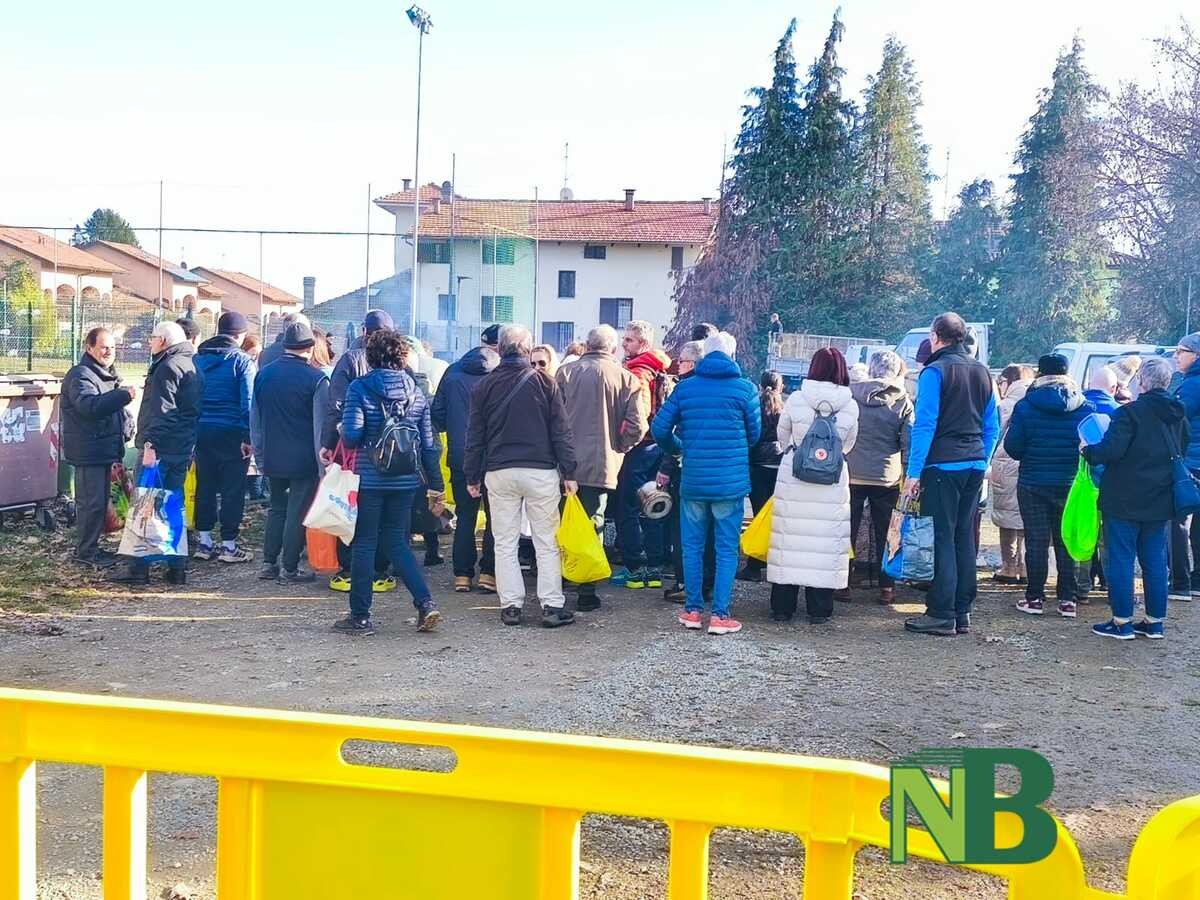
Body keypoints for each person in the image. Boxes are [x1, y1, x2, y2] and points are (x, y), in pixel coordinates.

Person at [464, 325, 578, 628]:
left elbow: (475, 436)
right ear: (528, 350)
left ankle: (511, 606)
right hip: (540, 471)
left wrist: (472, 475)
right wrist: (569, 471)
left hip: (499, 471)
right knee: (546, 541)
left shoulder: (483, 387)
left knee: (504, 542)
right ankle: (552, 606)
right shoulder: (545, 382)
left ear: (499, 350)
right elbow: (561, 432)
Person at [333, 329, 445, 635]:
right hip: (406, 480)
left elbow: (353, 435)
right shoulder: (415, 390)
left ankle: (361, 617)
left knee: (364, 543)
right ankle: (425, 603)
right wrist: (436, 485)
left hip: (370, 479)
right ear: (402, 356)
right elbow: (428, 443)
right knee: (397, 541)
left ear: (371, 356)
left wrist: (343, 426)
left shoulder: (360, 387)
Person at [652, 331, 760, 635]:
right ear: (732, 355)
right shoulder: (745, 390)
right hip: (731, 482)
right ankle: (720, 616)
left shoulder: (686, 389)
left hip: (694, 480)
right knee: (726, 549)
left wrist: (679, 447)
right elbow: (754, 435)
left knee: (692, 546)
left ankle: (692, 611)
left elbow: (660, 428)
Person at [902, 313, 1000, 636]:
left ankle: (941, 611)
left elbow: (925, 424)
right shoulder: (984, 372)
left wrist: (914, 473)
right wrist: (981, 459)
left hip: (943, 465)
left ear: (935, 337)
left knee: (942, 536)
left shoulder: (934, 371)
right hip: (973, 465)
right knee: (964, 537)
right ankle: (963, 610)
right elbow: (992, 426)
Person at [1084, 358, 1188, 639]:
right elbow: (1184, 447)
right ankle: (1155, 622)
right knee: (1155, 559)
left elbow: (1111, 450)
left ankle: (1122, 621)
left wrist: (1088, 451)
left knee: (1122, 558)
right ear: (1167, 382)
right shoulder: (1178, 414)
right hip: (1161, 496)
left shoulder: (1129, 413)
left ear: (1142, 381)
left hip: (1124, 496)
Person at [555, 325, 647, 610]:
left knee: (564, 522)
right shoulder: (627, 378)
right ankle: (586, 590)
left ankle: (562, 578)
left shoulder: (565, 373)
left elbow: (552, 417)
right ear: (614, 349)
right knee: (594, 524)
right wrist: (620, 446)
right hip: (602, 463)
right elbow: (638, 425)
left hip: (565, 461)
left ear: (586, 345)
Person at [766, 348, 858, 624]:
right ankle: (820, 608)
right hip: (831, 478)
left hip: (794, 474)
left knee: (789, 540)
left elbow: (782, 435)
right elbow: (849, 444)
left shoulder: (795, 399)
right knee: (826, 544)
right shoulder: (850, 405)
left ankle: (783, 606)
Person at [111, 321, 203, 585]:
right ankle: (177, 569)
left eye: (152, 338)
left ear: (163, 341)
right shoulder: (193, 364)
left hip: (161, 448)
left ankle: (138, 569)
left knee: (145, 504)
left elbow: (162, 411)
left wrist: (151, 445)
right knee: (174, 505)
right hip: (182, 447)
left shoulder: (167, 367)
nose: (149, 342)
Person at [1003, 353, 1093, 618]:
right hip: (1070, 482)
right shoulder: (1085, 407)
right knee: (1067, 539)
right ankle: (1068, 599)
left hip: (1033, 482)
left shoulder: (1026, 405)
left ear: (1041, 374)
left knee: (1037, 540)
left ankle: (1035, 598)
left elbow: (1013, 448)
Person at [321, 309, 396, 593]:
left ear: (363, 331)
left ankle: (350, 568)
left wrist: (328, 444)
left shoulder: (350, 360)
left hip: (354, 448)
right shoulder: (400, 360)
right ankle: (379, 568)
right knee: (384, 509)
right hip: (390, 449)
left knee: (350, 504)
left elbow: (336, 406)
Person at [250, 322, 329, 584]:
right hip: (304, 459)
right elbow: (320, 426)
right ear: (310, 348)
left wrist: (259, 455)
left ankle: (268, 563)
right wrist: (323, 466)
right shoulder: (317, 379)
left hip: (272, 454)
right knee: (297, 513)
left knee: (276, 509)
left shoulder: (264, 374)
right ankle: (290, 569)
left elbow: (256, 420)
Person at [431, 324, 500, 593]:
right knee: (496, 519)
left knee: (466, 515)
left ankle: (462, 575)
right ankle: (489, 573)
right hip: (495, 457)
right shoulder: (502, 374)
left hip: (460, 454)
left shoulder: (452, 372)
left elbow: (437, 414)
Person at [61, 327, 136, 567]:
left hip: (104, 449)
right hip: (89, 451)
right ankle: (85, 553)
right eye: (104, 347)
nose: (109, 352)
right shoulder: (81, 375)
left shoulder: (106, 375)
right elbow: (89, 407)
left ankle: (91, 549)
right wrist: (123, 396)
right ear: (89, 347)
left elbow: (110, 408)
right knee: (91, 504)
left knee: (101, 503)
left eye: (112, 347)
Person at [844, 350, 912, 604]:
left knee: (846, 529)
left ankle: (842, 583)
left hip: (852, 472)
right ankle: (887, 587)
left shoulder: (852, 395)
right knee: (887, 531)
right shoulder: (903, 400)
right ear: (896, 372)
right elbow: (908, 441)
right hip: (887, 476)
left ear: (871, 370)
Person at [192, 310, 256, 564]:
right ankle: (229, 545)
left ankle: (205, 541)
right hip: (232, 432)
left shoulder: (197, 359)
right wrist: (247, 435)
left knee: (205, 485)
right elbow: (247, 401)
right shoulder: (242, 361)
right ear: (240, 335)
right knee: (232, 489)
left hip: (202, 430)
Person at [613, 320, 671, 589]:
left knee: (629, 506)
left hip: (638, 447)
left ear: (643, 344)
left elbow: (638, 416)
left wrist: (623, 442)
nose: (624, 345)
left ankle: (634, 567)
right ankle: (656, 566)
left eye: (629, 340)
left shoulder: (638, 372)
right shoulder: (659, 368)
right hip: (656, 446)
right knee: (654, 503)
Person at [658, 340, 714, 602]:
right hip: (718, 471)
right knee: (713, 531)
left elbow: (670, 430)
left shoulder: (685, 390)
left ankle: (685, 583)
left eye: (679, 360)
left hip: (687, 468)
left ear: (691, 363)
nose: (675, 364)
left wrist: (667, 465)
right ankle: (708, 582)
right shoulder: (724, 388)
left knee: (684, 530)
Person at [736, 370, 785, 582]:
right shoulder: (785, 407)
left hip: (757, 464)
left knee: (758, 516)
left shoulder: (755, 405)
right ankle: (774, 560)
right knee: (775, 517)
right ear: (780, 387)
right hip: (778, 464)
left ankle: (754, 565)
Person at [989, 364, 1036, 585]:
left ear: (1008, 382)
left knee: (1007, 517)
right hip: (1030, 465)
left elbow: (995, 435)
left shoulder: (1004, 405)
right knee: (1027, 518)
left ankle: (1009, 566)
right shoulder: (1035, 402)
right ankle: (1025, 566)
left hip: (1005, 465)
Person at [1169, 333, 1200, 601]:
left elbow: (1175, 416)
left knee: (1178, 522)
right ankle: (1197, 580)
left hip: (1190, 463)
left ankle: (1180, 581)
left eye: (1182, 351)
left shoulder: (1191, 385)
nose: (1176, 355)